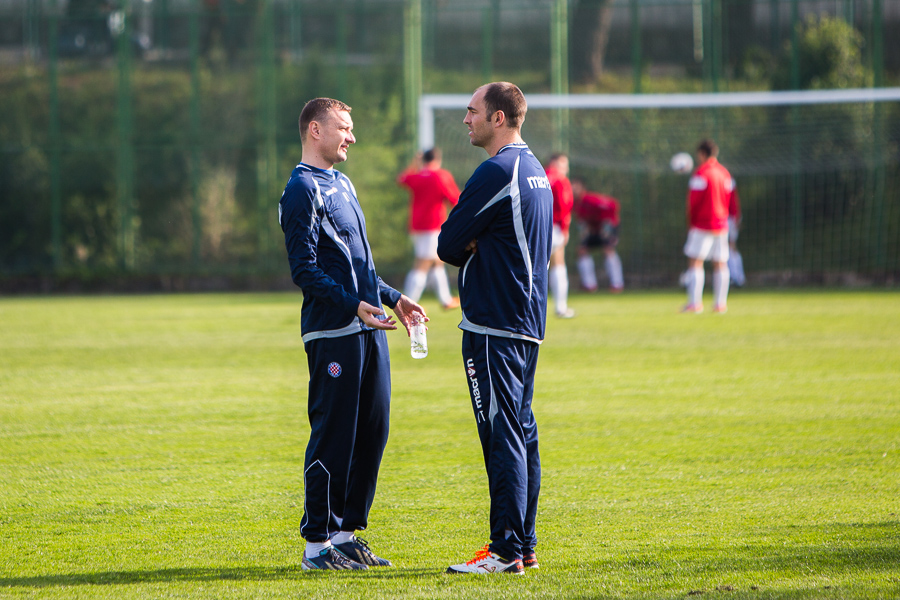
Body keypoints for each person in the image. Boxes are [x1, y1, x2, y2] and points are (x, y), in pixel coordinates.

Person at [278, 97, 426, 571]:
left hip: (369, 327)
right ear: (315, 130)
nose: (351, 136)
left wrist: (393, 298)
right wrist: (352, 305)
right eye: (344, 127)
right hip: (332, 332)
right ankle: (316, 545)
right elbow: (304, 270)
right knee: (334, 434)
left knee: (373, 431)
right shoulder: (301, 189)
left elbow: (361, 265)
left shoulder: (343, 182)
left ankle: (345, 536)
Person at [437, 82, 552, 575]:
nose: (466, 119)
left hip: (494, 326)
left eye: (472, 111)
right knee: (522, 432)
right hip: (526, 323)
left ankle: (503, 551)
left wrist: (473, 244)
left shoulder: (496, 171)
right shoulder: (538, 172)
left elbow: (446, 243)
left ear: (498, 118)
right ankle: (522, 545)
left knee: (502, 434)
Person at [397, 147, 461, 309]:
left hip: (416, 226)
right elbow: (455, 199)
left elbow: (402, 179)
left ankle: (445, 300)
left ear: (423, 160)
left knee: (436, 262)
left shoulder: (416, 176)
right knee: (422, 263)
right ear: (437, 159)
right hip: (433, 226)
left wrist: (415, 162)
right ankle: (408, 301)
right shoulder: (441, 176)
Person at [681, 138, 734, 313]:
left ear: (702, 154)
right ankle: (720, 304)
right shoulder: (725, 173)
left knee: (695, 262)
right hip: (722, 224)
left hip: (703, 223)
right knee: (720, 263)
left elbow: (693, 202)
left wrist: (691, 223)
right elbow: (731, 199)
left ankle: (694, 304)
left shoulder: (701, 173)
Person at [571, 179, 624, 293]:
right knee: (582, 251)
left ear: (582, 188)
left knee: (608, 250)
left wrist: (607, 226)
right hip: (593, 231)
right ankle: (589, 285)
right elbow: (582, 221)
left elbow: (613, 204)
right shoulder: (576, 204)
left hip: (607, 228)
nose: (573, 190)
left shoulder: (591, 200)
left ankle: (617, 284)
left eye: (576, 187)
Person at [545, 153, 575, 318]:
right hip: (554, 228)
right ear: (554, 163)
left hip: (536, 228)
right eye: (564, 164)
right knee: (558, 265)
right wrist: (565, 229)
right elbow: (564, 206)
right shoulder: (560, 180)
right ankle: (561, 307)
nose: (566, 168)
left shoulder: (539, 175)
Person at [726, 179, 746, 287]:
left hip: (730, 219)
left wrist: (736, 217)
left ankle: (737, 277)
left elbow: (734, 201)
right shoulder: (726, 181)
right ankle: (735, 277)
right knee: (729, 248)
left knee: (731, 247)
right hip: (727, 218)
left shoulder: (728, 181)